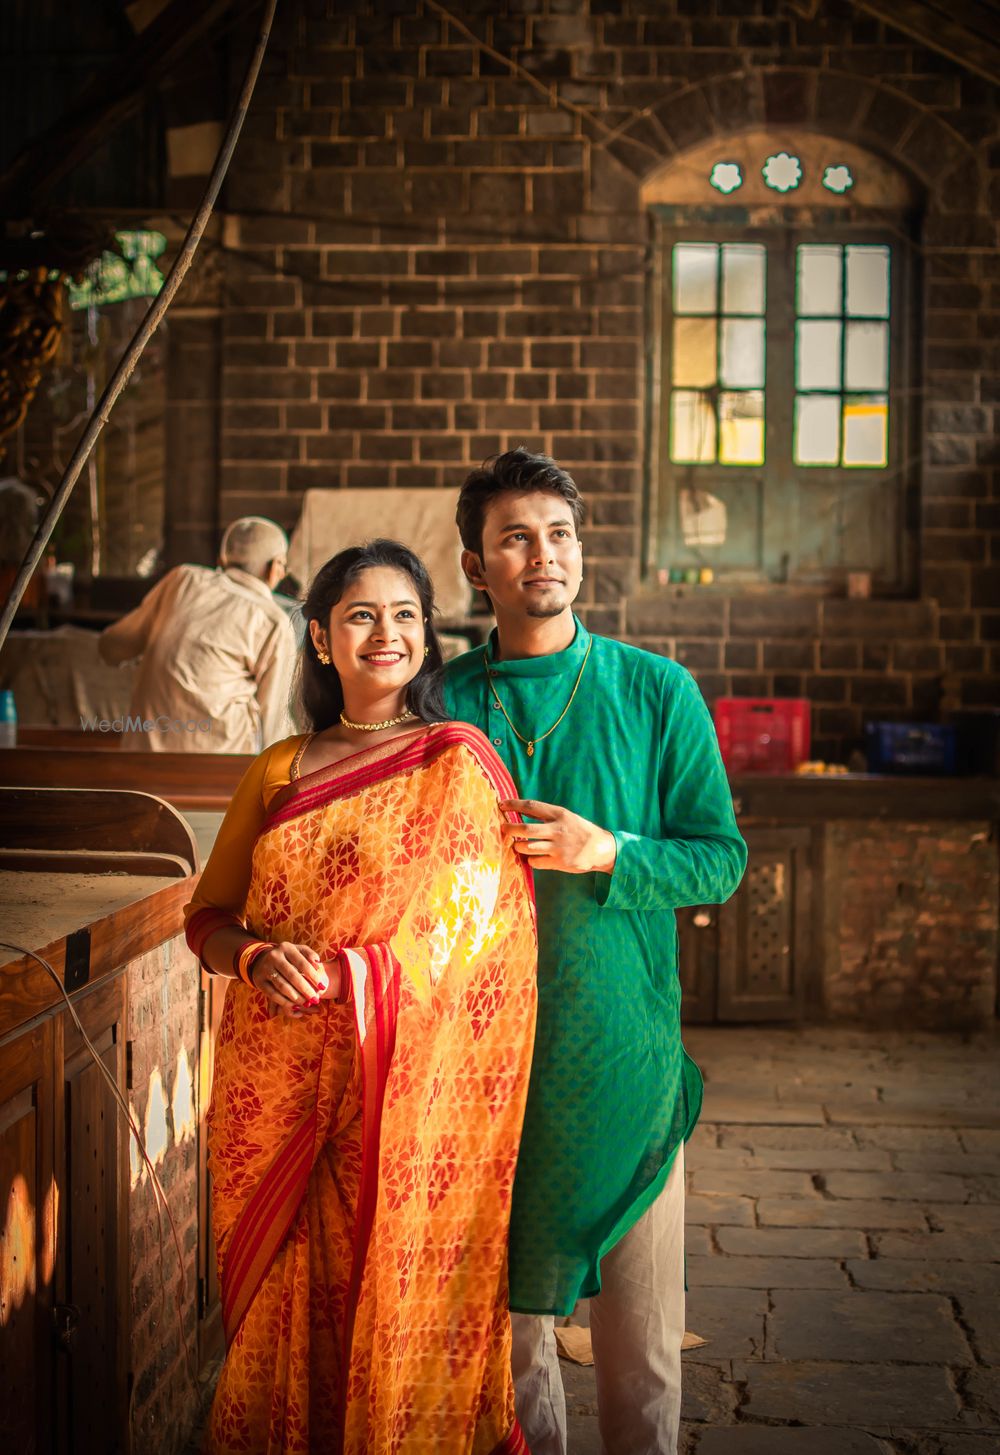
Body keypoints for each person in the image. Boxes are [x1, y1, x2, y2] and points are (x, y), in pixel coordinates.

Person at [184, 539, 537, 1454]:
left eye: (406, 614)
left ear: (428, 635)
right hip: (280, 1084)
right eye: (361, 615)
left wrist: (353, 976)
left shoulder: (455, 762)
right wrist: (255, 958)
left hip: (405, 1097)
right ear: (319, 637)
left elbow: (476, 931)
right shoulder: (278, 768)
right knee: (281, 1299)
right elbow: (209, 917)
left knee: (395, 1287)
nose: (387, 633)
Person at [443, 450, 748, 1455]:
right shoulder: (440, 707)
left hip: (623, 1062)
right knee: (507, 1343)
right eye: (516, 537)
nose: (544, 554)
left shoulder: (655, 691)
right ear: (475, 568)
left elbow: (720, 860)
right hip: (482, 1075)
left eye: (560, 533)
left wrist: (608, 850)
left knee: (644, 1339)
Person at [98, 516, 295, 752]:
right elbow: (274, 724)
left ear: (221, 559)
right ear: (274, 568)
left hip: (142, 757)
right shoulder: (273, 620)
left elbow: (111, 647)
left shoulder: (183, 579)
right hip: (219, 769)